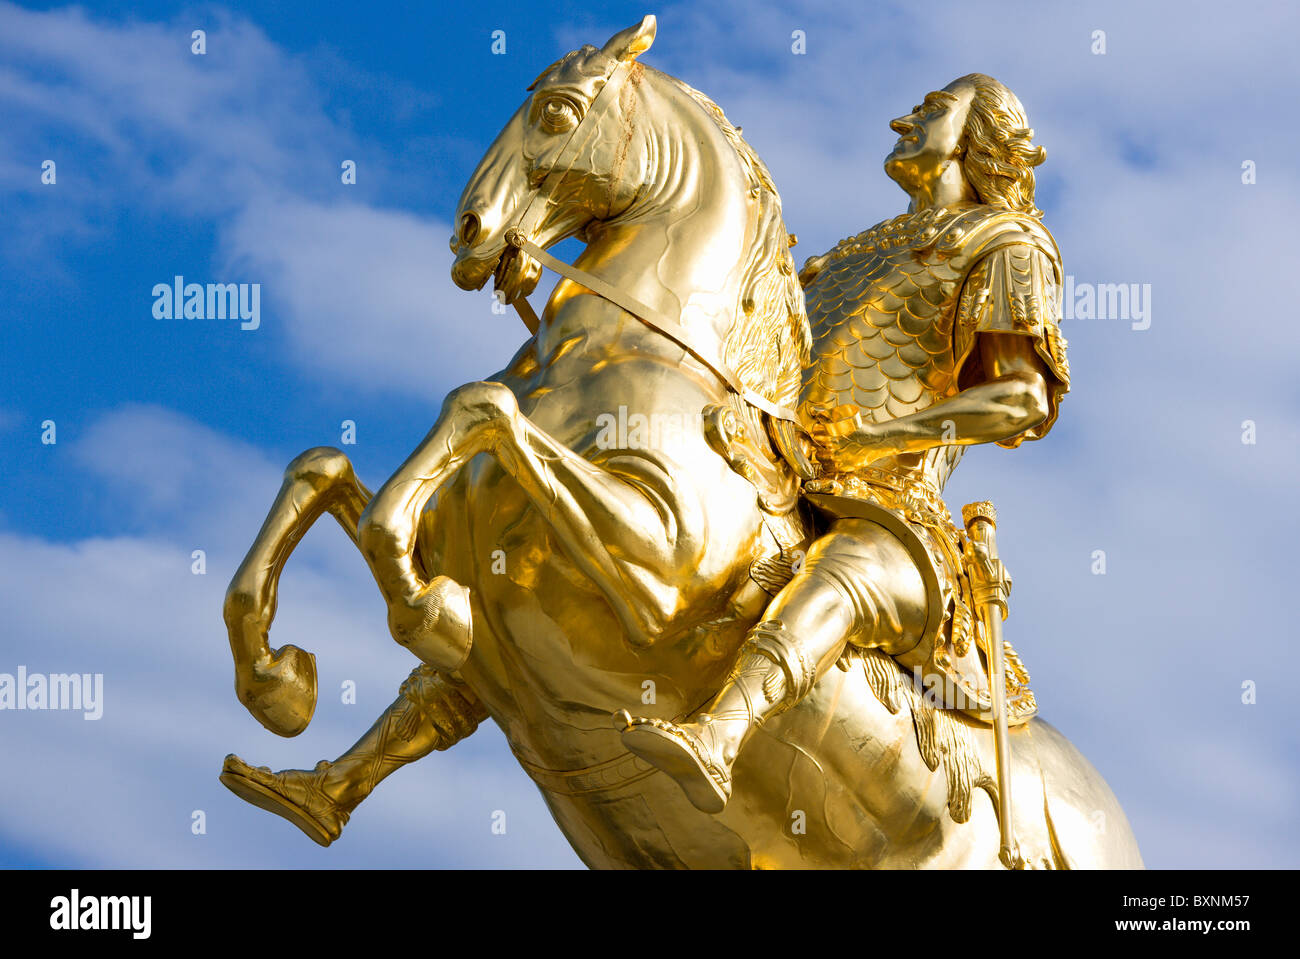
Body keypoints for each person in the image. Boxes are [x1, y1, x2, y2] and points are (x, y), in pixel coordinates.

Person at [617, 73, 1071, 814]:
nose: (902, 118)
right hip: (783, 464)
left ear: (979, 137)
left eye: (930, 110)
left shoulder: (1009, 244)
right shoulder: (852, 251)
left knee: (845, 571)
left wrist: (886, 435)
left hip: (890, 509)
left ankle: (721, 736)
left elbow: (1021, 397)